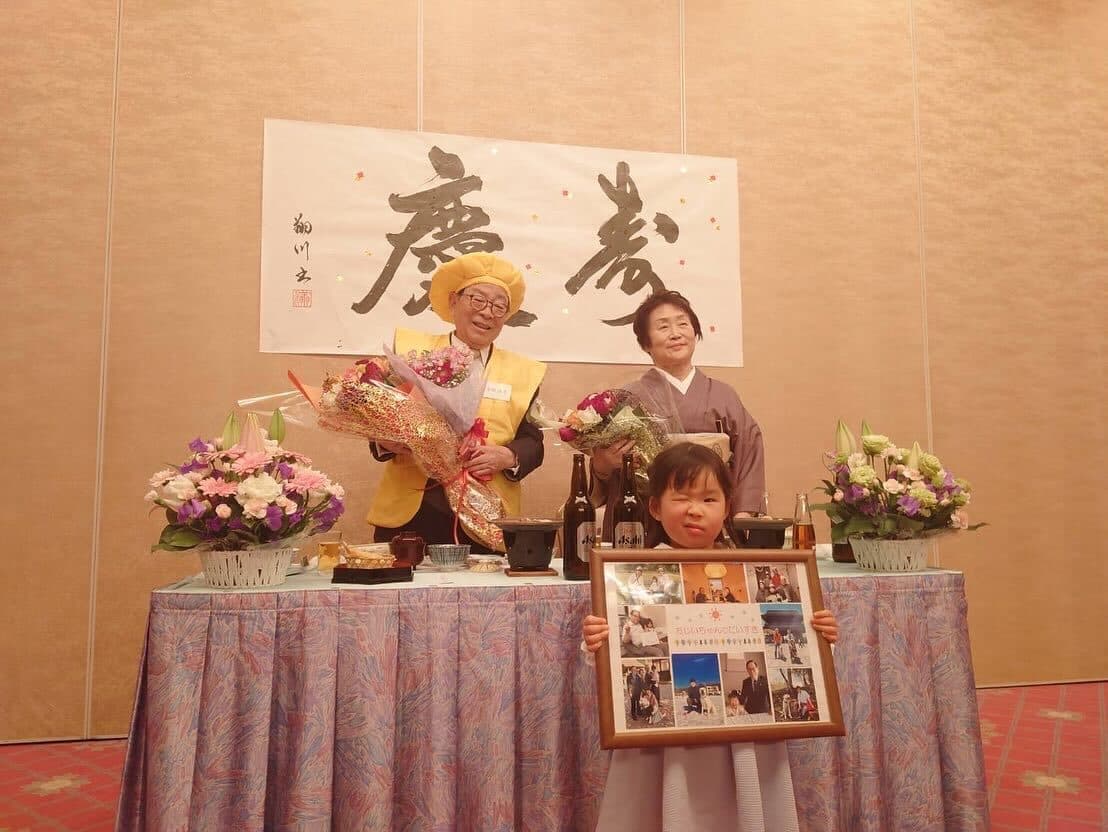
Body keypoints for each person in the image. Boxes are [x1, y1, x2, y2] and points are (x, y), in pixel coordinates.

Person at [582, 442, 838, 831]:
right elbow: (614, 660)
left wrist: (820, 635)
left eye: (708, 499)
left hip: (746, 742)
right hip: (661, 749)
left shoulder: (747, 571)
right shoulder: (632, 577)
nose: (695, 509)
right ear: (655, 507)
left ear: (727, 506)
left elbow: (789, 645)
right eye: (681, 497)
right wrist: (598, 640)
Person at [366, 253, 547, 552]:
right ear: (453, 301)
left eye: (499, 306)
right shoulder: (411, 351)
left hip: (485, 514)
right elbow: (379, 414)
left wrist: (508, 456)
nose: (488, 312)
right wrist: (385, 440)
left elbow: (533, 442)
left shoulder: (524, 372)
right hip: (412, 512)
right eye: (478, 299)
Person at [588, 291, 766, 543]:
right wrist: (603, 465)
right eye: (663, 327)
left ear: (695, 332)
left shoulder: (724, 395)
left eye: (683, 324)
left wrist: (743, 512)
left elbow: (749, 450)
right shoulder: (626, 399)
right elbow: (608, 469)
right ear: (645, 343)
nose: (675, 334)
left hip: (708, 519)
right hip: (643, 516)